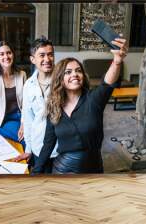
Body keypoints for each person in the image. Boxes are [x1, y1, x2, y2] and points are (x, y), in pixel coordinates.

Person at [32, 37, 128, 174]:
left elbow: (106, 84)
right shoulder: (54, 108)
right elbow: (48, 144)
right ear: (60, 79)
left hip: (92, 169)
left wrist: (117, 61)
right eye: (68, 72)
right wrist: (36, 172)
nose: (75, 74)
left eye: (78, 71)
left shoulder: (93, 100)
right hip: (62, 170)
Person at [13, 37, 58, 172]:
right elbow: (28, 119)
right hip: (38, 146)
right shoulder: (28, 85)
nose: (47, 59)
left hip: (60, 148)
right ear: (33, 59)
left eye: (50, 54)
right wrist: (28, 148)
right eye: (42, 55)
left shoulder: (62, 80)